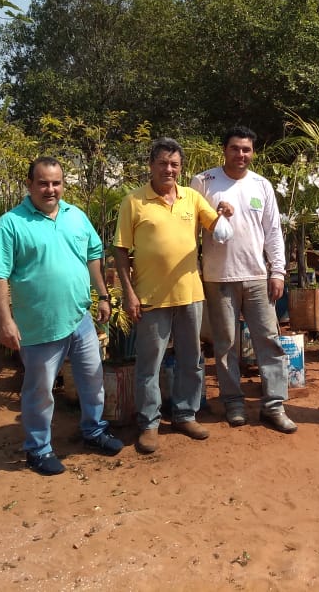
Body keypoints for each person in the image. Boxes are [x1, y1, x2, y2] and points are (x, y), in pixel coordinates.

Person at [0, 157, 123, 476]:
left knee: (92, 381)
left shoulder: (76, 216)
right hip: (39, 326)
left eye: (56, 183)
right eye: (43, 183)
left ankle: (94, 431)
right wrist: (5, 320)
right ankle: (38, 449)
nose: (50, 189)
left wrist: (102, 295)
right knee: (41, 391)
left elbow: (93, 256)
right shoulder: (11, 223)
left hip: (79, 319)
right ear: (29, 184)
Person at [113, 137, 234, 455]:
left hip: (189, 294)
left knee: (191, 360)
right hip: (150, 297)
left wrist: (225, 212)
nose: (169, 169)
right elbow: (121, 250)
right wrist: (129, 292)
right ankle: (149, 424)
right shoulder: (134, 201)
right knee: (148, 364)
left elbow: (215, 226)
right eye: (163, 163)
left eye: (174, 164)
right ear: (151, 165)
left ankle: (185, 414)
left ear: (181, 168)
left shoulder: (191, 198)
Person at [190, 126, 297, 434]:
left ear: (253, 152)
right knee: (225, 344)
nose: (241, 154)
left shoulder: (261, 185)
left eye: (247, 149)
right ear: (224, 149)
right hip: (217, 276)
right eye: (235, 148)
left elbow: (273, 231)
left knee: (268, 339)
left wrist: (278, 271)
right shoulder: (203, 182)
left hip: (256, 276)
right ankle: (233, 402)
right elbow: (191, 228)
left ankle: (274, 405)